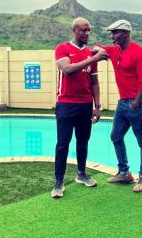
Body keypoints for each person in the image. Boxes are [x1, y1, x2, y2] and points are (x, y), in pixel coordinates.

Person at [51, 17, 108, 198]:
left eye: (89, 30)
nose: (87, 33)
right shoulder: (62, 49)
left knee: (83, 142)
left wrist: (97, 106)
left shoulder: (92, 54)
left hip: (85, 104)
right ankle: (59, 182)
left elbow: (94, 82)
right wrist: (94, 58)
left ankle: (81, 174)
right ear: (74, 30)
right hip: (66, 104)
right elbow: (67, 70)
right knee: (63, 144)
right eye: (83, 30)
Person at [93, 20, 142, 193]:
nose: (112, 36)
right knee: (115, 136)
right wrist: (96, 50)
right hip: (123, 102)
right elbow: (98, 47)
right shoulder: (114, 50)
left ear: (125, 33)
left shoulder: (139, 53)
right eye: (111, 33)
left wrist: (137, 101)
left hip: (138, 102)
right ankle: (124, 173)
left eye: (115, 32)